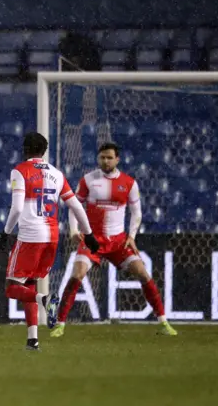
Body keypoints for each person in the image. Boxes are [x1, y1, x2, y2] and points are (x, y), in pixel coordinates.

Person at [50, 142, 178, 337]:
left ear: (117, 159)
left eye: (110, 157)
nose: (106, 161)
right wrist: (74, 230)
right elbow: (75, 205)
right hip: (93, 239)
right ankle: (60, 324)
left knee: (143, 273)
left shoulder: (129, 183)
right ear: (97, 158)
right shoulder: (88, 180)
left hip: (118, 241)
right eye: (102, 157)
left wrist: (132, 237)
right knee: (77, 274)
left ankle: (163, 322)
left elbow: (136, 213)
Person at [0, 132, 99, 351]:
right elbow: (76, 206)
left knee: (11, 288)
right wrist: (88, 234)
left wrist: (5, 233)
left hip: (30, 237)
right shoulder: (56, 174)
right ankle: (33, 340)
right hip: (51, 237)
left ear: (25, 150)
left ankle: (45, 299)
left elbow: (17, 207)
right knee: (29, 283)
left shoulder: (20, 170)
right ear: (44, 151)